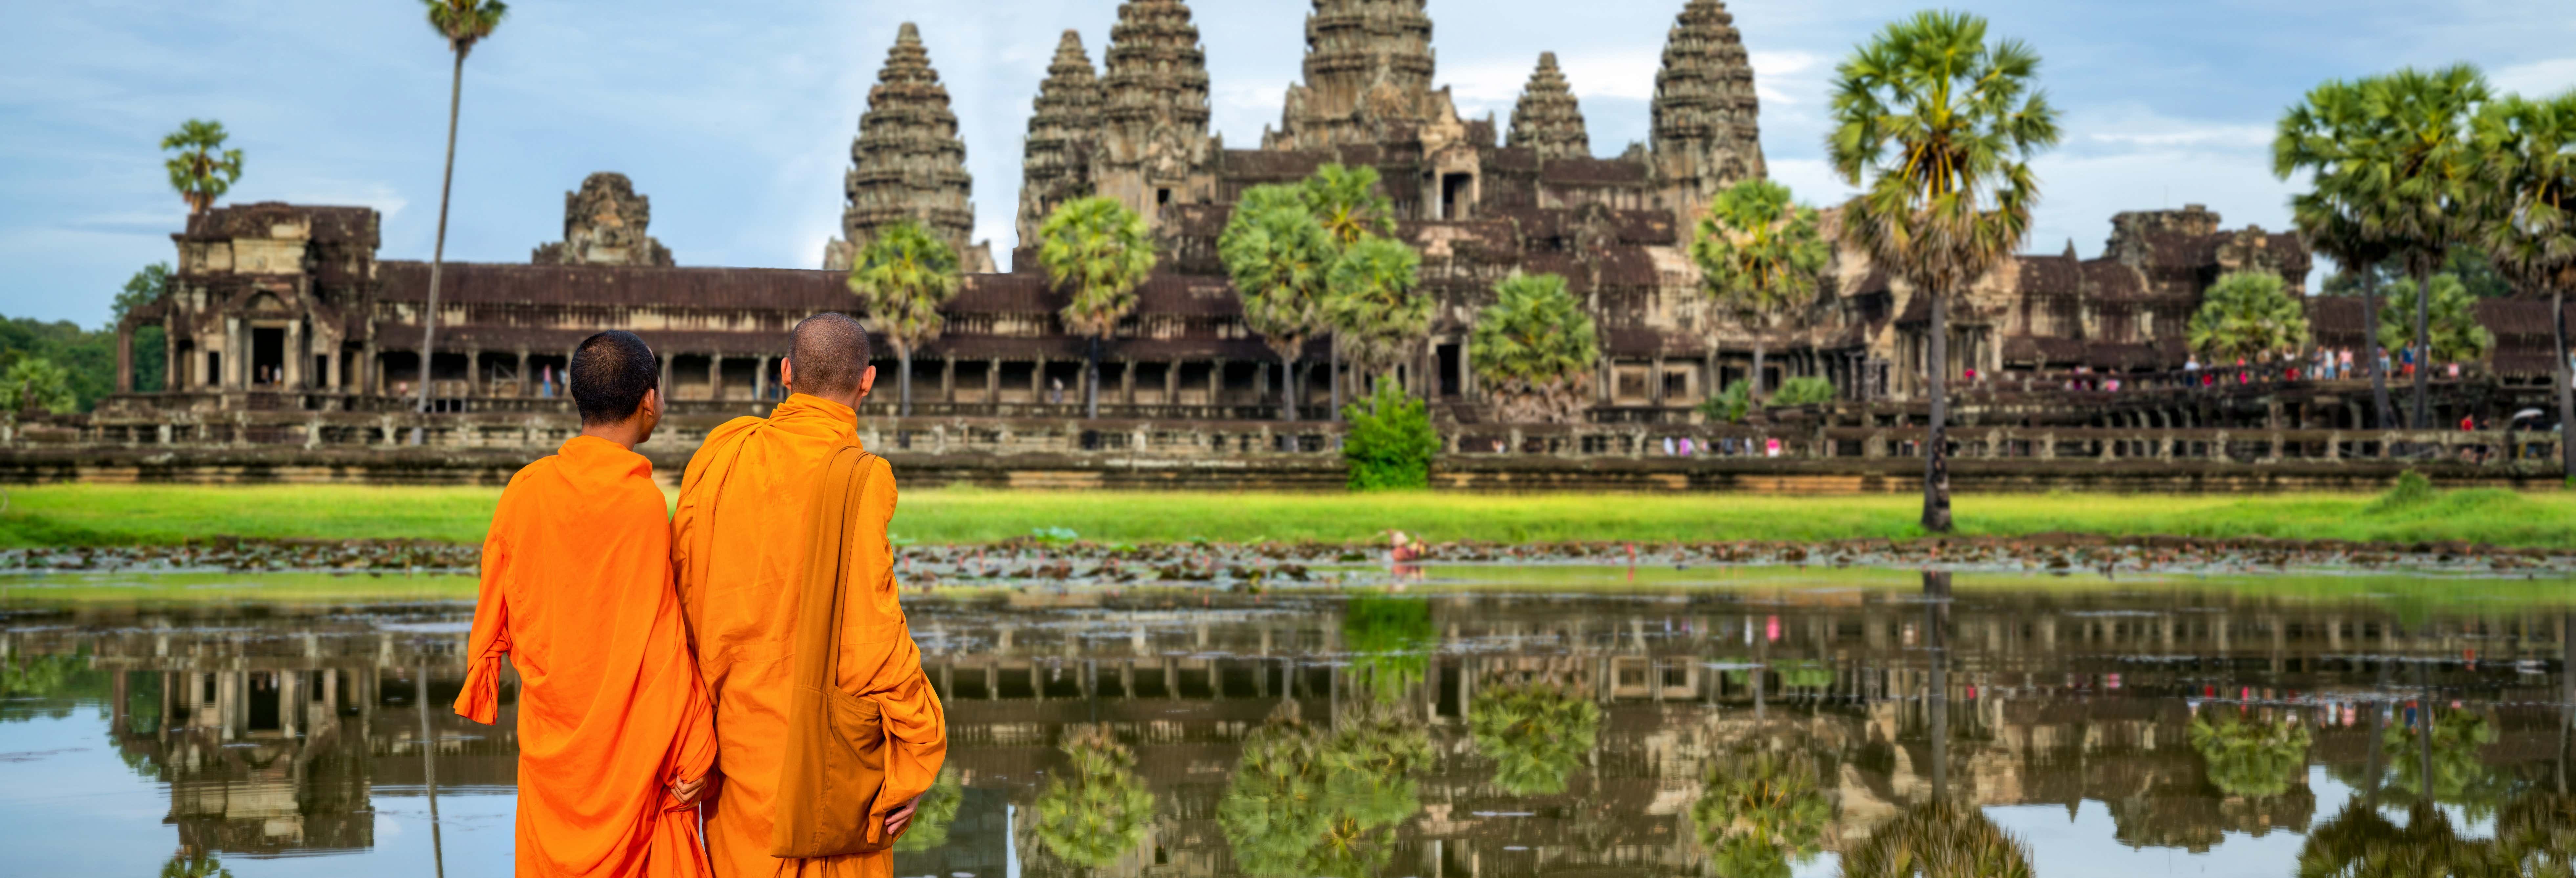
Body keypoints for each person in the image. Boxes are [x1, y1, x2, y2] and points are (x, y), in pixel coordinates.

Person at [672, 313, 947, 878]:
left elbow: (681, 593)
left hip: (735, 748)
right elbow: (873, 638)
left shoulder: (723, 455)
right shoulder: (861, 477)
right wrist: (914, 754)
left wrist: (685, 732)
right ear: (867, 381)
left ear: (785, 373)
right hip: (830, 762)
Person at [454, 330, 718, 878]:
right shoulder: (640, 504)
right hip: (629, 753)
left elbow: (498, 613)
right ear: (651, 400)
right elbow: (660, 640)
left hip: (556, 747)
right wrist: (695, 736)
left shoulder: (524, 490)